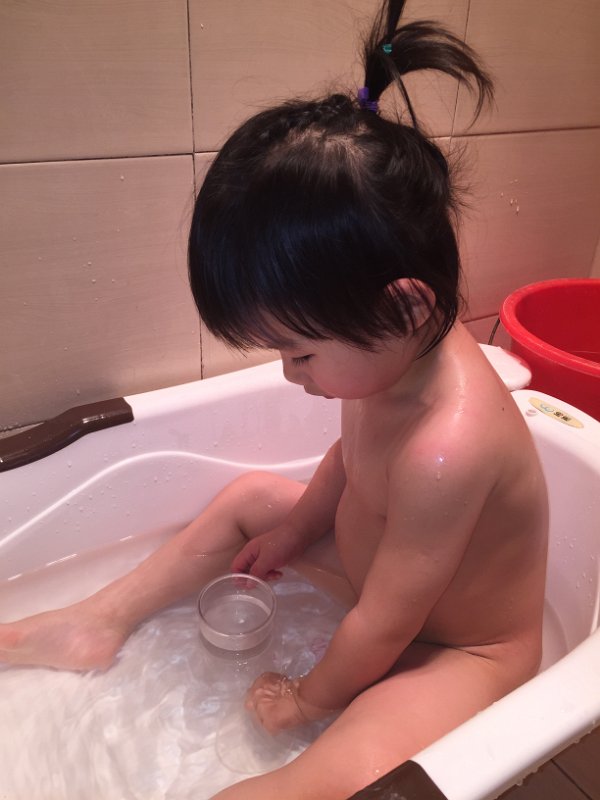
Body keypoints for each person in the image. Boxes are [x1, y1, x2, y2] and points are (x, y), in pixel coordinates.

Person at [0, 2, 548, 797]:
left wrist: (308, 699)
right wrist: (295, 527)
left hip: (452, 649)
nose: (292, 375)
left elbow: (386, 624)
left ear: (404, 309)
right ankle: (97, 620)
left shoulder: (449, 448)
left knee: (337, 777)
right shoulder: (390, 361)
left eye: (300, 352)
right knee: (250, 500)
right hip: (378, 585)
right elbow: (351, 461)